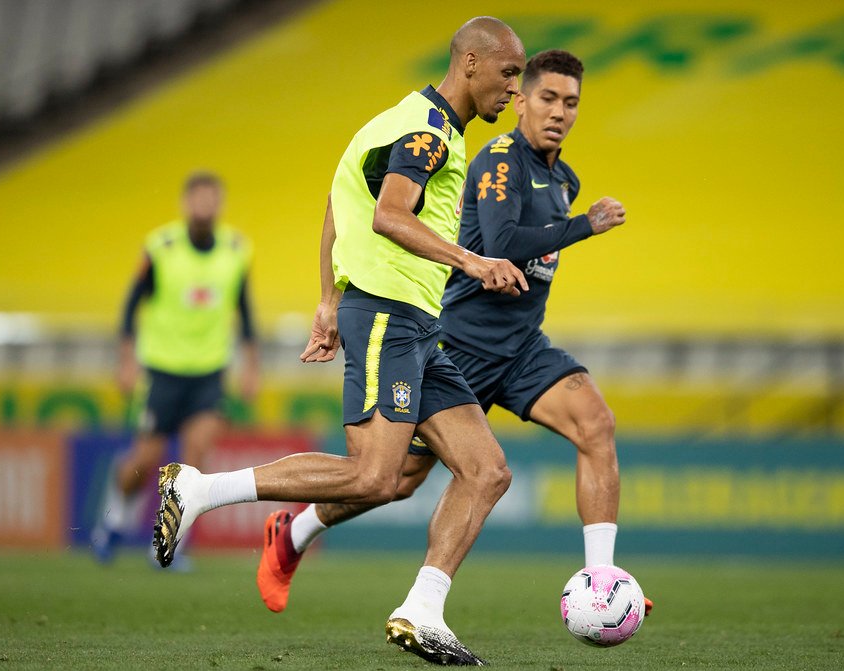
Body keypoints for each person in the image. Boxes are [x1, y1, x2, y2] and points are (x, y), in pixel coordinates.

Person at [152, 17, 527, 667]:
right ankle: (200, 489)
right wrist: (470, 262)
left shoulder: (395, 120)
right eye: (509, 74)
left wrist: (327, 297)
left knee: (486, 468)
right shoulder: (428, 132)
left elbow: (339, 201)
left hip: (409, 320)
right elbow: (388, 214)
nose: (514, 92)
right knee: (376, 475)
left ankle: (423, 609)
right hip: (388, 313)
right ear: (470, 63)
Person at [258, 49, 654, 613]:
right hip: (458, 345)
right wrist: (584, 226)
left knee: (596, 424)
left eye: (571, 103)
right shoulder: (496, 160)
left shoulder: (563, 178)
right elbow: (500, 247)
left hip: (520, 347)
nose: (559, 112)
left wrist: (574, 220)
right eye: (546, 98)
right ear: (520, 101)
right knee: (392, 480)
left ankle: (601, 582)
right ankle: (291, 534)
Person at [91, 171, 259, 565]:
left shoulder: (237, 250)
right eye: (198, 198)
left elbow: (245, 311)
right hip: (163, 371)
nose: (205, 206)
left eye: (211, 198)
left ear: (220, 204)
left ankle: (165, 546)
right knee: (144, 461)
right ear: (186, 204)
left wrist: (251, 365)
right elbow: (131, 307)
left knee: (193, 459)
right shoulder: (161, 247)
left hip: (210, 373)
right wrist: (126, 360)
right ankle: (112, 522)